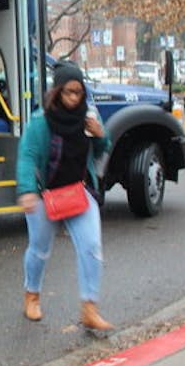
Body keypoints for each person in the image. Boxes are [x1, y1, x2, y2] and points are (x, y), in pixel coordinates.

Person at [15, 62, 113, 332]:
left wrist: (101, 135)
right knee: (40, 249)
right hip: (46, 195)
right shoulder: (41, 121)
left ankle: (89, 308)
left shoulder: (88, 116)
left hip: (79, 192)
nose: (74, 98)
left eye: (79, 92)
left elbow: (103, 147)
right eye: (69, 92)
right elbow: (27, 156)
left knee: (91, 247)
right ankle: (31, 295)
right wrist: (26, 191)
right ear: (57, 91)